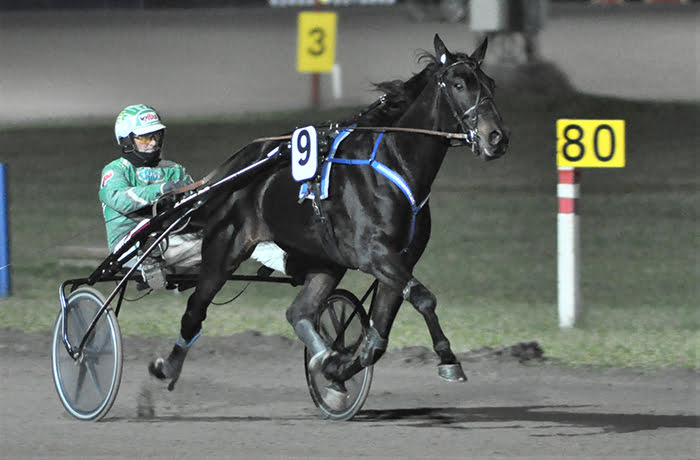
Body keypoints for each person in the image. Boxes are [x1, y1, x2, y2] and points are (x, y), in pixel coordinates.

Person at [99, 104, 201, 289]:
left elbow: (195, 204)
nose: (153, 143)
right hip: (128, 246)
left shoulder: (174, 169)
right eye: (145, 137)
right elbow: (119, 198)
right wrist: (162, 189)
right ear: (127, 140)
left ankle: (185, 268)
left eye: (156, 136)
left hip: (171, 236)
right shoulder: (115, 170)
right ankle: (150, 258)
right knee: (150, 229)